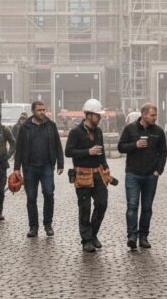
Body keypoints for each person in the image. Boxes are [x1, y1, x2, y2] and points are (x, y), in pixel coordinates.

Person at [118, 103, 167, 250]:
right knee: (132, 206)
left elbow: (163, 152)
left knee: (147, 208)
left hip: (151, 175)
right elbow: (121, 147)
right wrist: (135, 145)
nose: (155, 117)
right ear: (144, 114)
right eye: (152, 115)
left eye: (155, 115)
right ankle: (132, 236)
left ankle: (143, 237)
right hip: (133, 174)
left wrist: (158, 170)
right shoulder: (130, 129)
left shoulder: (158, 131)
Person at [65, 99, 110, 253]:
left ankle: (93, 234)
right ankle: (86, 240)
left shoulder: (98, 131)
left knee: (102, 204)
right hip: (82, 174)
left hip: (98, 175)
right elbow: (68, 152)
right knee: (85, 208)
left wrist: (106, 169)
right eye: (97, 115)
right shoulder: (75, 132)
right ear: (89, 115)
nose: (100, 118)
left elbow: (102, 152)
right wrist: (87, 152)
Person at [13, 101, 64, 238]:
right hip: (29, 167)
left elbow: (57, 144)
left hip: (47, 166)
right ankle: (33, 227)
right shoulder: (25, 127)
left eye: (44, 109)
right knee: (31, 198)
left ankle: (48, 224)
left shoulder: (51, 125)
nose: (43, 112)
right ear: (33, 111)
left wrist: (60, 162)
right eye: (39, 110)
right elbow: (19, 148)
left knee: (48, 193)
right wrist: (17, 168)